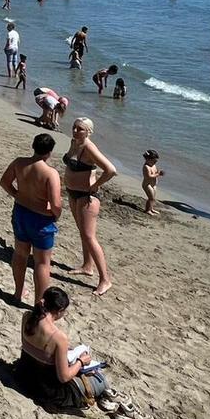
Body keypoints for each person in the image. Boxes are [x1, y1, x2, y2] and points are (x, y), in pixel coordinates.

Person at [15, 287, 111, 410]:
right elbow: (64, 377)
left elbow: (27, 346)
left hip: (24, 375)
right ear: (60, 310)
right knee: (100, 380)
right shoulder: (59, 337)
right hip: (45, 390)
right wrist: (81, 361)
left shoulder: (27, 317)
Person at [0, 133, 62, 303]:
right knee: (42, 263)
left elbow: (4, 182)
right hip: (40, 219)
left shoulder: (19, 163)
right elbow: (56, 204)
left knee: (20, 254)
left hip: (21, 212)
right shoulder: (50, 173)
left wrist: (17, 195)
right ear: (49, 152)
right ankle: (38, 303)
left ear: (33, 146)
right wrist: (56, 215)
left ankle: (18, 293)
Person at [63, 118, 116, 296]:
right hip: (73, 193)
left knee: (89, 236)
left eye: (80, 129)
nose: (76, 131)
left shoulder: (89, 147)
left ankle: (105, 279)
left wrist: (96, 184)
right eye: (74, 127)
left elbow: (110, 170)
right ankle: (87, 266)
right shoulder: (74, 142)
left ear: (88, 132)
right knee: (82, 232)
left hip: (88, 197)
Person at [141, 150, 164, 216]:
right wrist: (158, 174)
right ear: (147, 159)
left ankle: (151, 208)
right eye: (153, 161)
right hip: (147, 185)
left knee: (153, 198)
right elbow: (149, 176)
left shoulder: (153, 165)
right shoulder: (146, 167)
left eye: (156, 161)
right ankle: (147, 210)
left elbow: (156, 172)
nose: (154, 163)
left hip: (153, 185)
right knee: (151, 198)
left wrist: (159, 172)